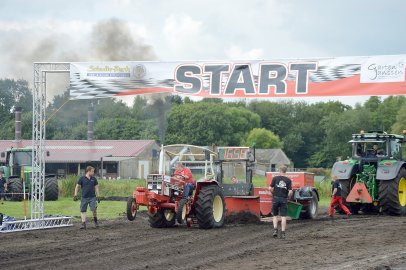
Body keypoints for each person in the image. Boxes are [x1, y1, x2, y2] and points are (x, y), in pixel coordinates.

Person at [270, 165, 292, 239]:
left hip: (276, 198)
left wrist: (273, 193)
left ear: (280, 171)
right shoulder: (288, 180)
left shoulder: (275, 178)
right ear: (286, 171)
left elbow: (270, 188)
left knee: (275, 215)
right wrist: (288, 197)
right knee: (283, 216)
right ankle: (283, 233)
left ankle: (275, 230)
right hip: (283, 199)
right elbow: (290, 192)